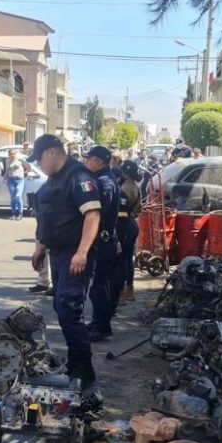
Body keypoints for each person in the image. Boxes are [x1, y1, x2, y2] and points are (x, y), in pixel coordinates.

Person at [28, 134, 101, 394]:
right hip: (57, 253)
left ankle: (85, 370)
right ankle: (75, 362)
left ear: (53, 152)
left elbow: (92, 215)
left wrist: (82, 252)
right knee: (61, 307)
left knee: (70, 308)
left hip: (74, 253)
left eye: (39, 158)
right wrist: (40, 247)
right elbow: (47, 216)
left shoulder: (79, 177)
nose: (39, 164)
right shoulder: (53, 180)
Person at [82, 146, 120, 342]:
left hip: (103, 240)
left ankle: (102, 326)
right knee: (98, 285)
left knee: (99, 286)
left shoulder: (105, 182)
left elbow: (99, 212)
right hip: (103, 238)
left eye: (90, 159)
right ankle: (98, 322)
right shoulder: (103, 178)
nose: (87, 162)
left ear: (100, 162)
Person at [115, 160, 142, 304]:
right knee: (128, 259)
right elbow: (139, 209)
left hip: (124, 225)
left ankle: (120, 293)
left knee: (121, 261)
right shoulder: (135, 186)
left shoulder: (124, 188)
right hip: (132, 224)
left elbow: (121, 213)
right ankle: (129, 290)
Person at [5, 148, 26, 220]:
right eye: (10, 154)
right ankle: (13, 214)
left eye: (13, 153)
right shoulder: (7, 161)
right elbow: (7, 170)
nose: (11, 155)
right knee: (13, 198)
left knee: (18, 196)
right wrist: (5, 177)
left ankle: (20, 213)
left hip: (20, 180)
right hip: (11, 180)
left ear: (15, 154)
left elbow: (28, 167)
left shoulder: (20, 160)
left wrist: (26, 173)